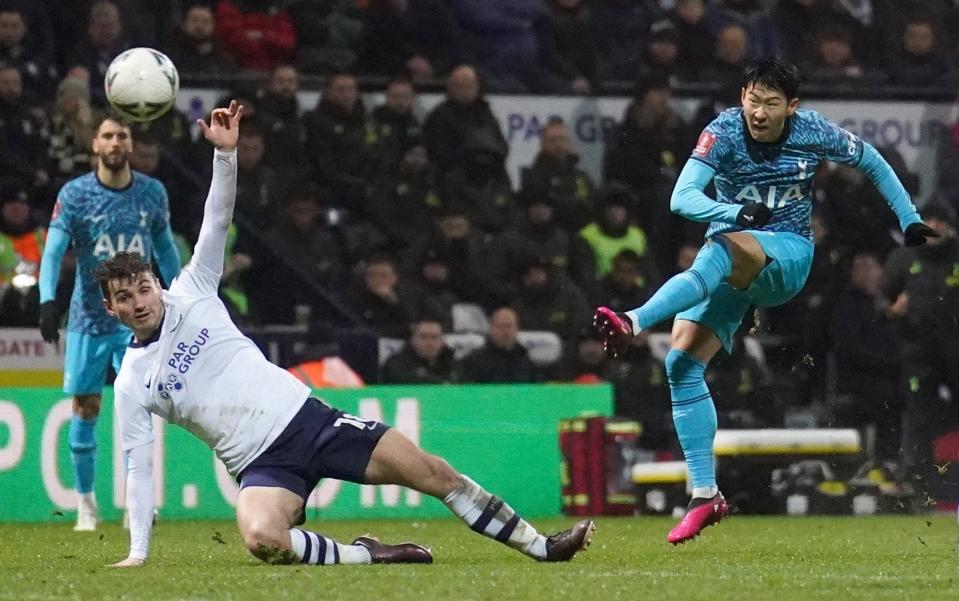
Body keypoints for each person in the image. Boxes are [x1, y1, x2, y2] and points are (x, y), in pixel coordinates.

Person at [101, 101, 595, 567]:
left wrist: (225, 153)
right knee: (263, 540)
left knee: (433, 473)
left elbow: (216, 218)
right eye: (125, 298)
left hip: (312, 423)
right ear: (111, 307)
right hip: (262, 467)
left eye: (143, 288)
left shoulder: (195, 291)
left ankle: (542, 546)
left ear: (157, 283)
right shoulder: (132, 381)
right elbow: (139, 471)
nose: (139, 302)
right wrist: (139, 553)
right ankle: (369, 554)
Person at [592, 58, 936, 545]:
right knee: (681, 364)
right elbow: (681, 198)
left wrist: (909, 218)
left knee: (721, 249)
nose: (758, 111)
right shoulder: (723, 131)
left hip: (787, 258)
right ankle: (705, 495)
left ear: (791, 107)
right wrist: (733, 210)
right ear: (742, 97)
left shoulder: (811, 130)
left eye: (771, 103)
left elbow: (872, 161)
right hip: (731, 256)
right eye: (752, 99)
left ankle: (632, 320)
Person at [38, 113, 180, 531]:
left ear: (130, 144)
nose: (116, 142)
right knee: (86, 405)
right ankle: (86, 503)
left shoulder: (152, 193)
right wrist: (48, 301)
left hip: (139, 320)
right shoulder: (76, 194)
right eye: (108, 136)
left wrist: (183, 294)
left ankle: (139, 504)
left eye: (122, 136)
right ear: (95, 145)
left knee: (140, 405)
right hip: (88, 317)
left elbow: (166, 250)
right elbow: (52, 252)